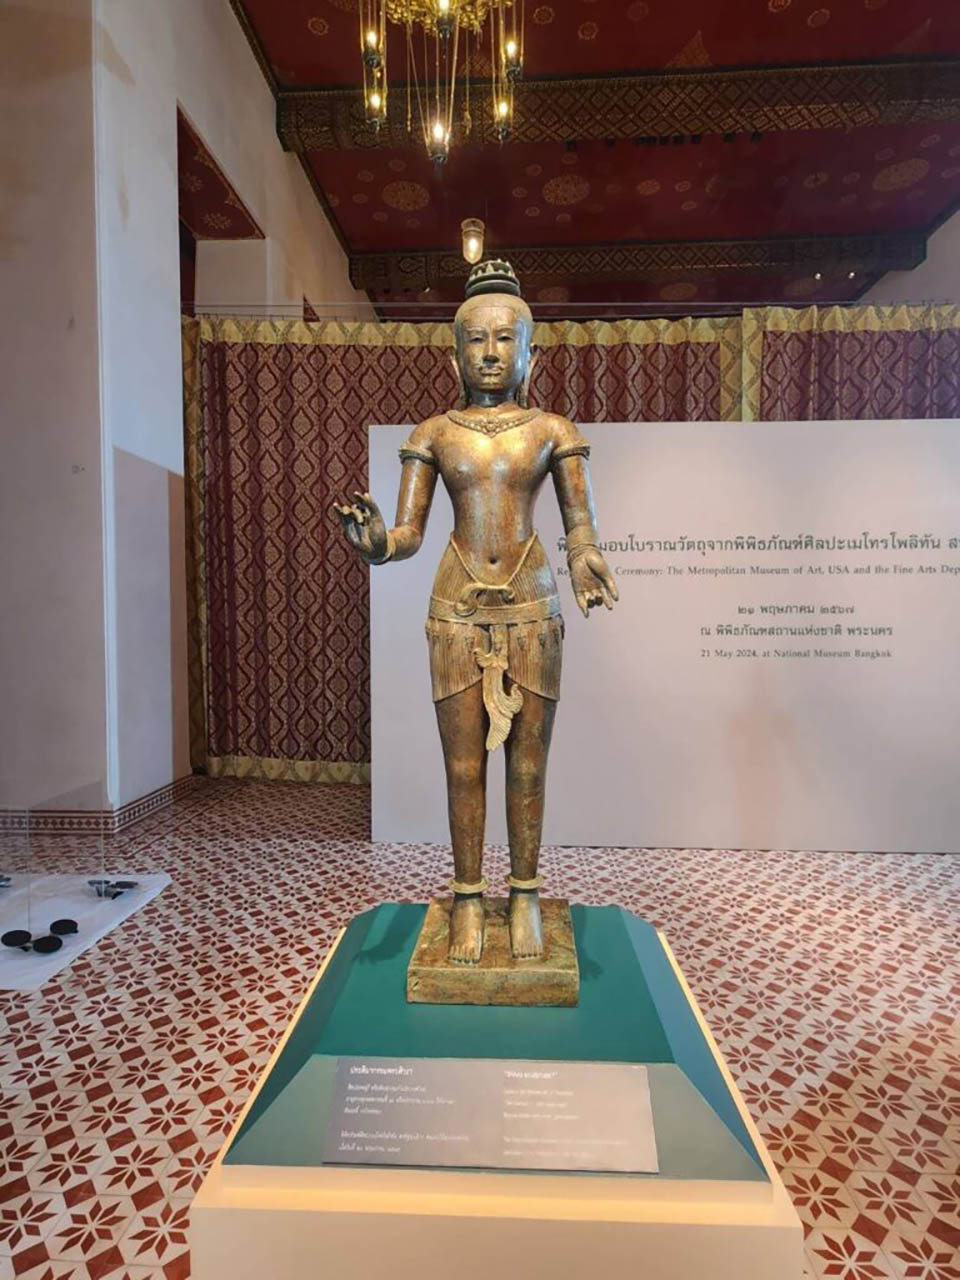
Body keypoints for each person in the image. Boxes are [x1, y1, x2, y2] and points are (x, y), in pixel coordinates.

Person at [334, 260, 617, 964]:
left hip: (531, 605)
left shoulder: (552, 429)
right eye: (476, 340)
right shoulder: (435, 433)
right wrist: (379, 544)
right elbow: (409, 533)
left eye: (504, 339)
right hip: (457, 609)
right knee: (462, 766)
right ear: (453, 355)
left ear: (531, 354)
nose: (490, 353)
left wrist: (585, 556)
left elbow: (579, 523)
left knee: (528, 767)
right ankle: (467, 896)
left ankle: (524, 894)